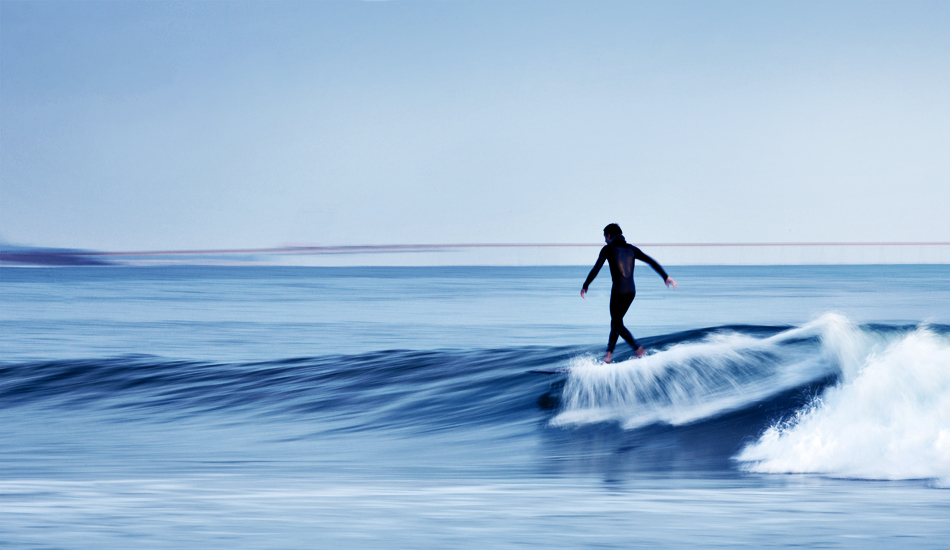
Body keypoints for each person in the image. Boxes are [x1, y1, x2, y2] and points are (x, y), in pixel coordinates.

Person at [581, 223, 677, 363]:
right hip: (631, 291)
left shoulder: (608, 249)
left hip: (618, 290)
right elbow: (650, 261)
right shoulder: (632, 249)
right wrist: (665, 276)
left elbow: (596, 269)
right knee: (616, 322)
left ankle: (637, 349)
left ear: (609, 235)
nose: (605, 240)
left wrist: (585, 285)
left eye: (605, 237)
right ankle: (608, 355)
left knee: (616, 323)